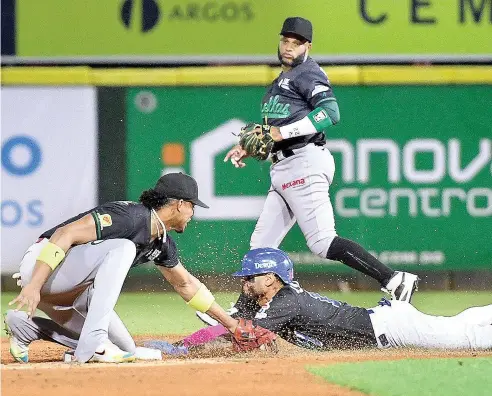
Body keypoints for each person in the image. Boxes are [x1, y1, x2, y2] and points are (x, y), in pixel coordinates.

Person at [197, 16, 419, 326]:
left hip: (304, 162)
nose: (289, 47)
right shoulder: (278, 83)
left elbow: (330, 113)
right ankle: (243, 313)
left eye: (296, 42)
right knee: (260, 246)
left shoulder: (308, 73)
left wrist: (279, 135)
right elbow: (273, 129)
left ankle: (394, 279)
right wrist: (251, 145)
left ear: (307, 46)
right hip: (284, 167)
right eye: (285, 40)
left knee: (323, 243)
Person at [4, 173, 269, 364]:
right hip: (46, 267)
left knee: (125, 348)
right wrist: (34, 285)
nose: (193, 213)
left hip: (74, 290)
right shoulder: (131, 216)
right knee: (123, 249)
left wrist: (232, 325)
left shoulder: (162, 241)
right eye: (192, 207)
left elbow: (186, 285)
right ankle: (94, 341)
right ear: (179, 204)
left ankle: (28, 328)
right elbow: (64, 234)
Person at [173, 248, 492, 353]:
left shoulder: (285, 302)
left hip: (392, 329)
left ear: (270, 278)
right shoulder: (280, 301)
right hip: (385, 322)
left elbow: (239, 333)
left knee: (464, 339)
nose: (244, 283)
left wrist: (186, 346)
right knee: (455, 325)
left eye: (249, 277)